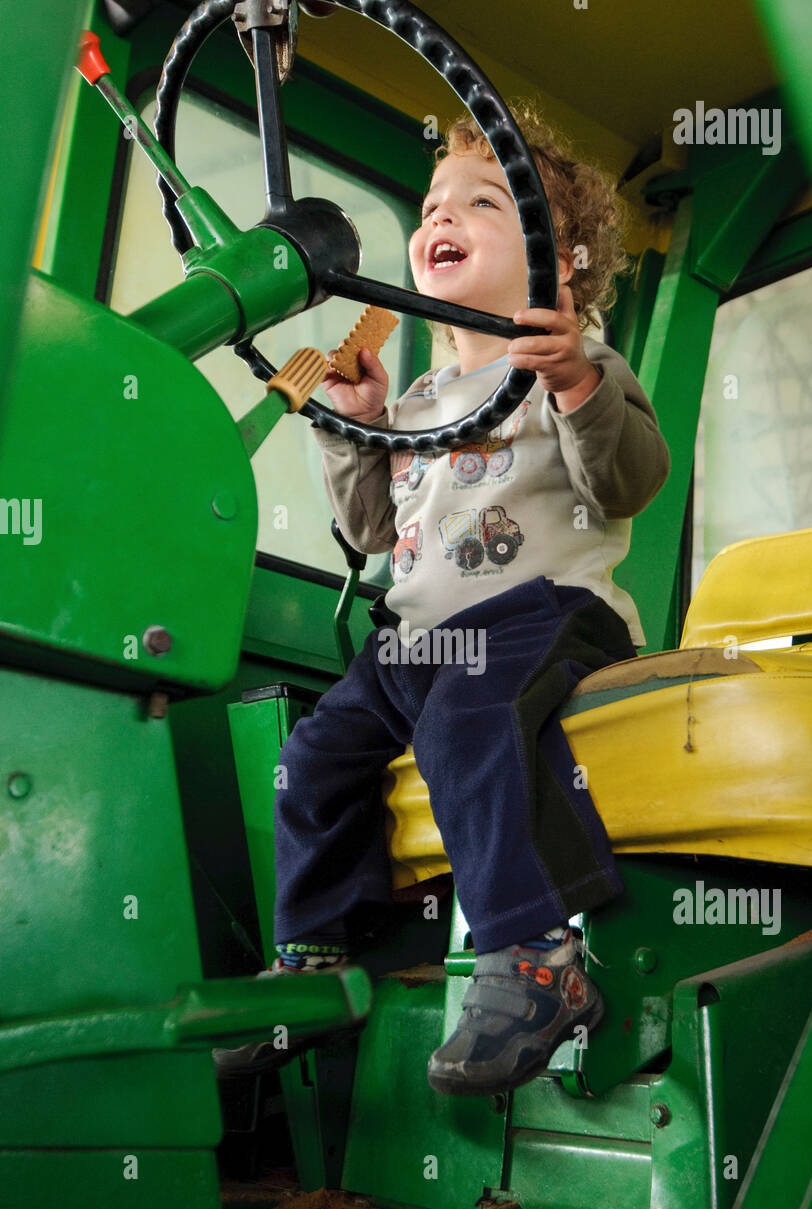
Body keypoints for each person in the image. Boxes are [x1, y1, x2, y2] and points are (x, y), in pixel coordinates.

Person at [215, 104, 671, 1096]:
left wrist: (577, 387)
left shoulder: (569, 366)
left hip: (544, 610)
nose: (440, 217)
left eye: (484, 200)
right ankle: (317, 962)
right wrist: (355, 426)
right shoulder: (416, 402)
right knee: (313, 755)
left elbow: (627, 481)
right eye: (431, 205)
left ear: (562, 265)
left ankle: (539, 961)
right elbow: (376, 533)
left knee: (470, 721)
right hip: (417, 637)